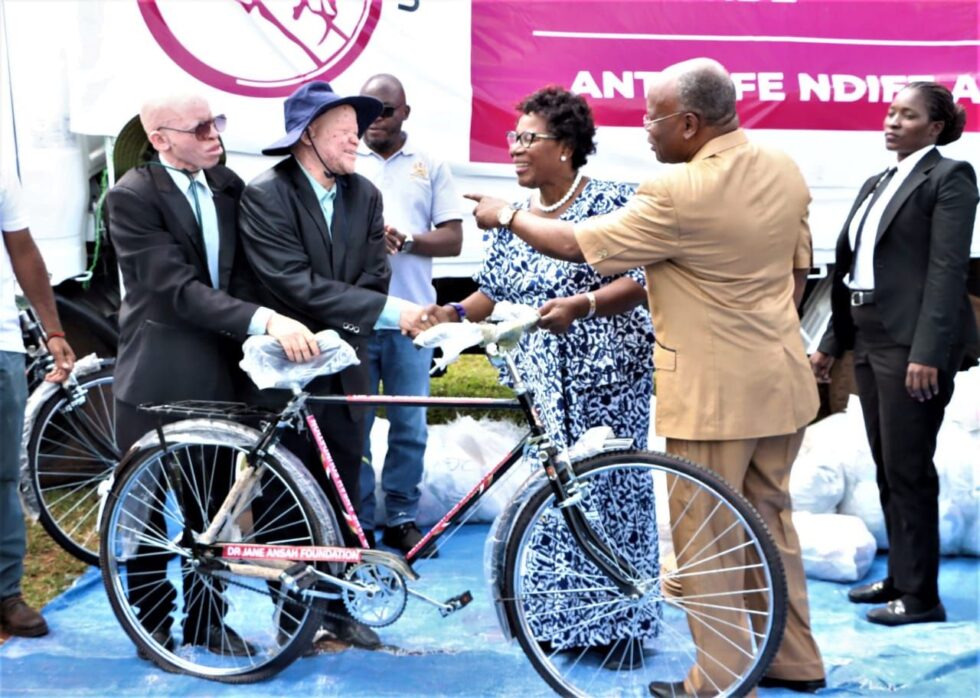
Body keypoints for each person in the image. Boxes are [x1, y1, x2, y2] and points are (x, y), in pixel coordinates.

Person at [463, 59, 827, 695]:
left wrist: (507, 216)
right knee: (770, 523)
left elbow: (577, 245)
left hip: (713, 395)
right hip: (780, 378)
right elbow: (799, 274)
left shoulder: (677, 191)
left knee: (707, 533)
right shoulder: (782, 168)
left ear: (689, 123)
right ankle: (794, 660)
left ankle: (717, 679)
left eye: (652, 119)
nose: (644, 130)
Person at [427, 85, 658, 654]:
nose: (515, 148)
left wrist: (584, 305)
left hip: (607, 382)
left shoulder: (612, 201)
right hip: (543, 390)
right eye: (514, 137)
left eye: (529, 138)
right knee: (554, 499)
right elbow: (492, 290)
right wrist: (452, 313)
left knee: (611, 496)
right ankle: (562, 624)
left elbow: (642, 278)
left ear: (567, 147)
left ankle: (622, 627)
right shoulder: (518, 215)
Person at [107, 94, 316, 658]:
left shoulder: (226, 184)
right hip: (158, 377)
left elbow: (245, 273)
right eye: (198, 128)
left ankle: (206, 622)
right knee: (145, 510)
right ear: (159, 139)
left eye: (216, 123)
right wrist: (265, 320)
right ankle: (151, 626)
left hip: (222, 373)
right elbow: (175, 289)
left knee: (214, 511)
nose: (213, 135)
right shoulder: (131, 197)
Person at [239, 80, 424, 649]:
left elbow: (375, 275)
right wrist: (383, 312)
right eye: (343, 132)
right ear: (308, 137)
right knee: (289, 493)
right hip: (287, 369)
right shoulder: (266, 194)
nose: (355, 141)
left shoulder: (364, 193)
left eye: (356, 131)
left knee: (345, 484)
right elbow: (290, 282)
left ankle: (339, 610)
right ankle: (294, 618)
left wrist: (353, 316)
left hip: (347, 363)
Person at [811, 82, 977, 627]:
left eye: (907, 115)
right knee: (887, 465)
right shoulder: (878, 181)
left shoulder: (950, 177)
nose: (892, 122)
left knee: (908, 468)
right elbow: (851, 271)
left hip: (912, 345)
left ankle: (922, 598)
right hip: (868, 336)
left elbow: (947, 270)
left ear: (935, 127)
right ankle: (902, 578)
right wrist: (832, 343)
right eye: (890, 112)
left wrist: (927, 352)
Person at [355, 73, 463, 555]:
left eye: (386, 110)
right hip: (357, 317)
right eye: (368, 109)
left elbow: (454, 238)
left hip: (414, 320)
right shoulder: (344, 159)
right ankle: (357, 521)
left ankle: (401, 517)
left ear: (405, 113)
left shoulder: (429, 164)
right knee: (353, 425)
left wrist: (410, 240)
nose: (376, 119)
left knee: (410, 426)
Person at [1, 175, 75, 638]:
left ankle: (6, 593)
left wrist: (53, 330)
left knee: (3, 474)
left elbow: (23, 249)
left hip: (1, 344)